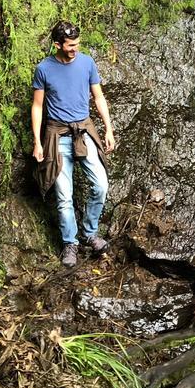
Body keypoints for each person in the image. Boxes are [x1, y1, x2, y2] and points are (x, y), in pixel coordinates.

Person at [31, 20, 116, 268]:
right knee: (64, 196)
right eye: (70, 45)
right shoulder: (44, 69)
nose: (74, 49)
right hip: (57, 136)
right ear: (57, 44)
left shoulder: (87, 63)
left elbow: (98, 97)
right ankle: (71, 243)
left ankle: (90, 233)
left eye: (77, 44)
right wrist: (37, 142)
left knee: (100, 184)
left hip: (84, 131)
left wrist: (108, 129)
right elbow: (37, 106)